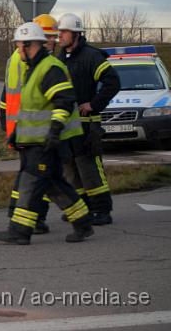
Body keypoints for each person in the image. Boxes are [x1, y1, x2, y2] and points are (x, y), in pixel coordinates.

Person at [0, 22, 94, 245]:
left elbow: (64, 102)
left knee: (30, 183)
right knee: (54, 184)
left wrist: (54, 131)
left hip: (47, 141)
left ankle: (19, 231)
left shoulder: (50, 68)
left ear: (30, 45)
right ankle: (83, 222)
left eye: (20, 47)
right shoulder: (35, 68)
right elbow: (32, 109)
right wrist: (17, 134)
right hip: (35, 141)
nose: (19, 51)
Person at [57, 13, 121, 226]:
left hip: (87, 124)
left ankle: (103, 211)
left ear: (76, 34)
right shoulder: (59, 58)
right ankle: (82, 209)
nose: (60, 36)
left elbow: (112, 82)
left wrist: (93, 104)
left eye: (63, 32)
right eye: (59, 32)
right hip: (68, 126)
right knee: (72, 170)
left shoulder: (91, 56)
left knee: (90, 169)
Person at [2, 14, 58, 234]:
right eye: (49, 36)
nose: (53, 41)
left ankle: (19, 213)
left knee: (29, 174)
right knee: (37, 176)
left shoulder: (16, 56)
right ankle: (33, 219)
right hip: (31, 127)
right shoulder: (31, 59)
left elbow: (6, 95)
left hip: (22, 125)